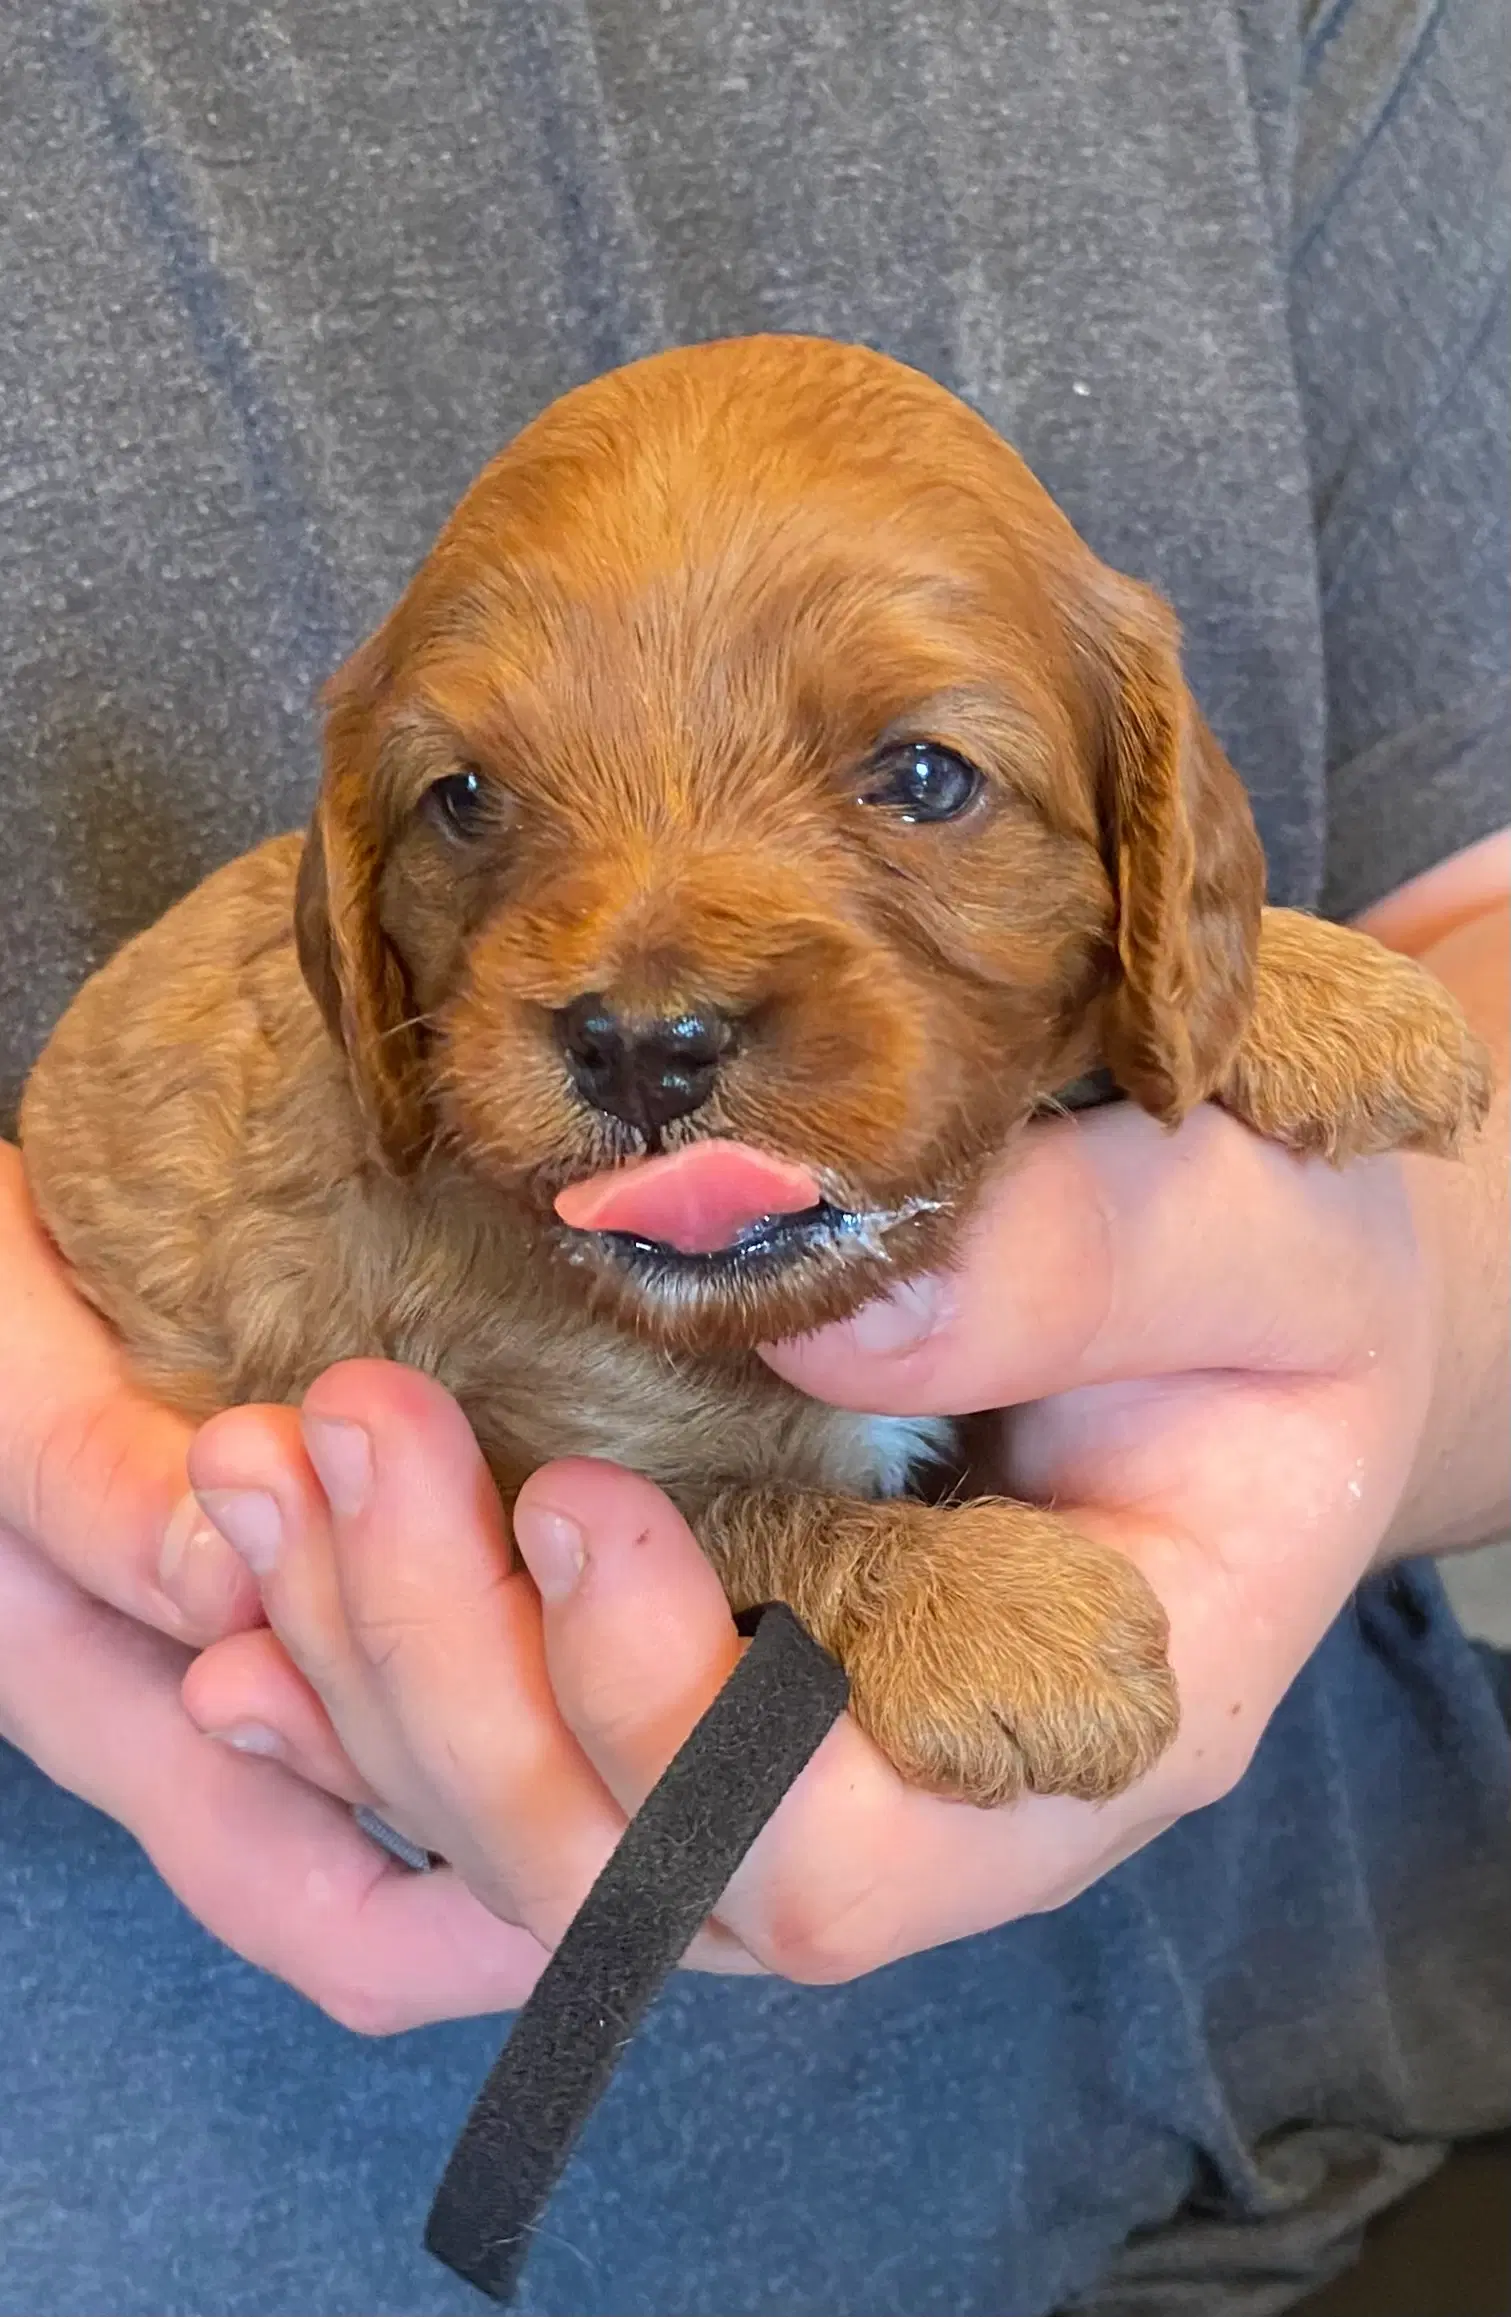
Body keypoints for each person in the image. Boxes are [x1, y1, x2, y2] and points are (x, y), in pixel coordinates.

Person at [1, 3, 1506, 2311]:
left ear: (1143, 826)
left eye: (913, 780)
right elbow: (513, 1454)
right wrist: (872, 1569)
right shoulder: (394, 1124)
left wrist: (1398, 1301)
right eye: (474, 808)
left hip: (1312, 2102)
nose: (637, 992)